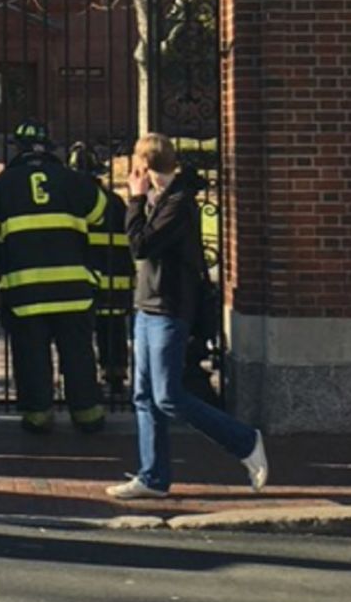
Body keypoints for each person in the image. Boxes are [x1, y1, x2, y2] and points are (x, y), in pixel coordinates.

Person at [106, 133, 268, 499]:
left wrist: (133, 198)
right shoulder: (159, 200)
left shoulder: (178, 203)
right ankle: (153, 477)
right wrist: (142, 199)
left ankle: (243, 441)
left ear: (144, 166)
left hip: (169, 308)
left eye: (136, 165)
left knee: (168, 396)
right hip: (147, 305)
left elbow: (140, 244)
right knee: (144, 396)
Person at [0, 120, 106, 434]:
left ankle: (38, 415)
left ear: (17, 148)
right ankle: (87, 415)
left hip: (24, 292)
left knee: (31, 355)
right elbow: (101, 215)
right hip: (74, 289)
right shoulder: (74, 182)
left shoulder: (0, 186)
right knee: (78, 352)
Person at [68, 142, 134, 398]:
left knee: (81, 331)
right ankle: (115, 377)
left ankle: (82, 381)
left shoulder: (73, 202)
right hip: (116, 276)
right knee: (114, 329)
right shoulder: (115, 201)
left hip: (84, 278)